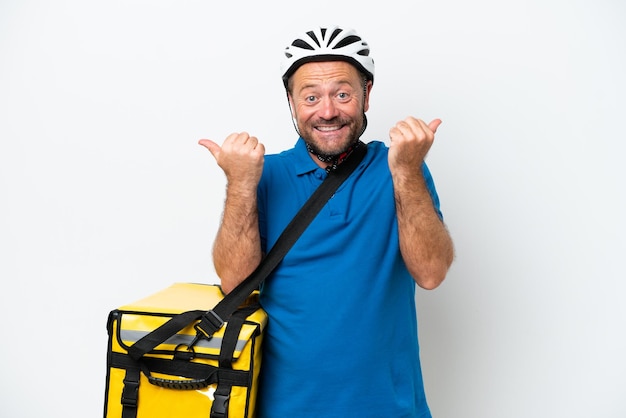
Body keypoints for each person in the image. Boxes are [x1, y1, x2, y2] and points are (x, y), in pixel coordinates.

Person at [199, 25, 454, 418]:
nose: (328, 111)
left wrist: (406, 171)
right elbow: (234, 283)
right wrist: (240, 183)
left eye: (342, 93)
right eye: (311, 96)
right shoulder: (265, 174)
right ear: (291, 101)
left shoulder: (400, 168)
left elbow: (432, 272)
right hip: (285, 409)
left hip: (390, 407)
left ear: (367, 94)